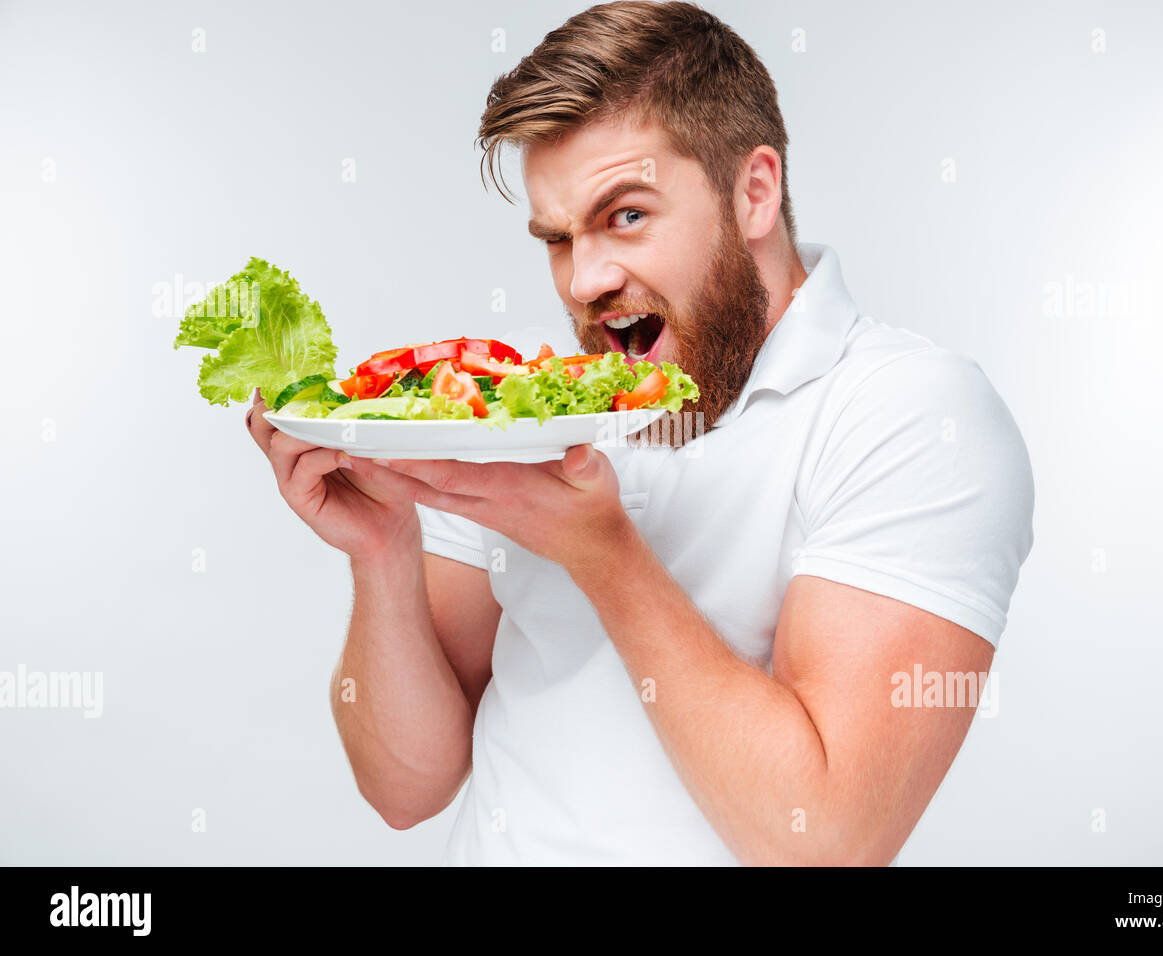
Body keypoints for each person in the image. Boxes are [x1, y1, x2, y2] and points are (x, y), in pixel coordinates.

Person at [246, 0, 1034, 865]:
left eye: (625, 216)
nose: (585, 281)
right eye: (558, 237)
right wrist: (383, 550)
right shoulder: (529, 413)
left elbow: (826, 839)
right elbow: (406, 790)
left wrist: (603, 552)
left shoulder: (912, 413)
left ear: (755, 191)